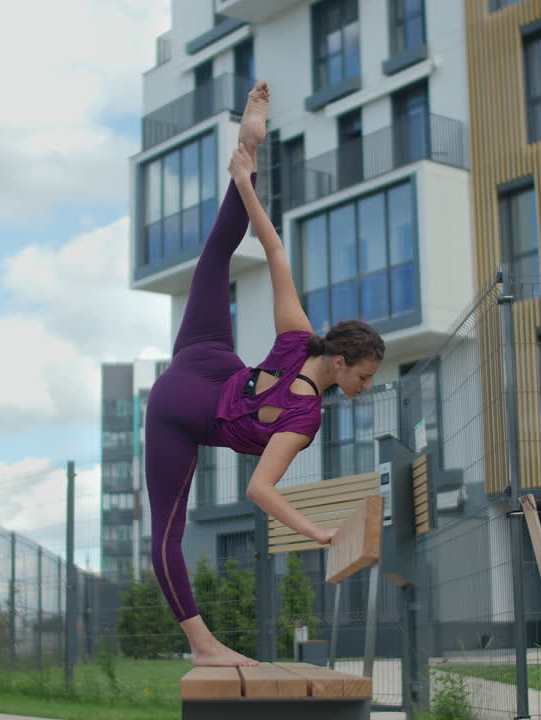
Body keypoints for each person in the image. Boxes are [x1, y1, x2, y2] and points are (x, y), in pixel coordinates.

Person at [144, 79, 387, 667]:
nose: (364, 388)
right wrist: (317, 532)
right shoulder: (304, 418)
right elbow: (259, 488)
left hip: (203, 355)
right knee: (167, 535)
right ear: (340, 361)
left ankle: (247, 150)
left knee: (214, 258)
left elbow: (275, 250)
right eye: (365, 377)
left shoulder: (300, 335)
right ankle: (203, 647)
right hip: (181, 410)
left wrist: (245, 185)